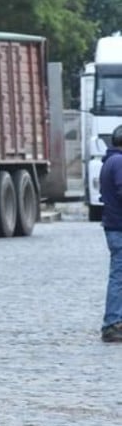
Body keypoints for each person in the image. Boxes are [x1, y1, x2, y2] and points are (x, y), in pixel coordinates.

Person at [101, 130, 122, 342]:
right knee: (118, 277)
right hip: (119, 228)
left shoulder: (109, 161)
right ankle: (112, 323)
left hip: (113, 226)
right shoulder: (119, 162)